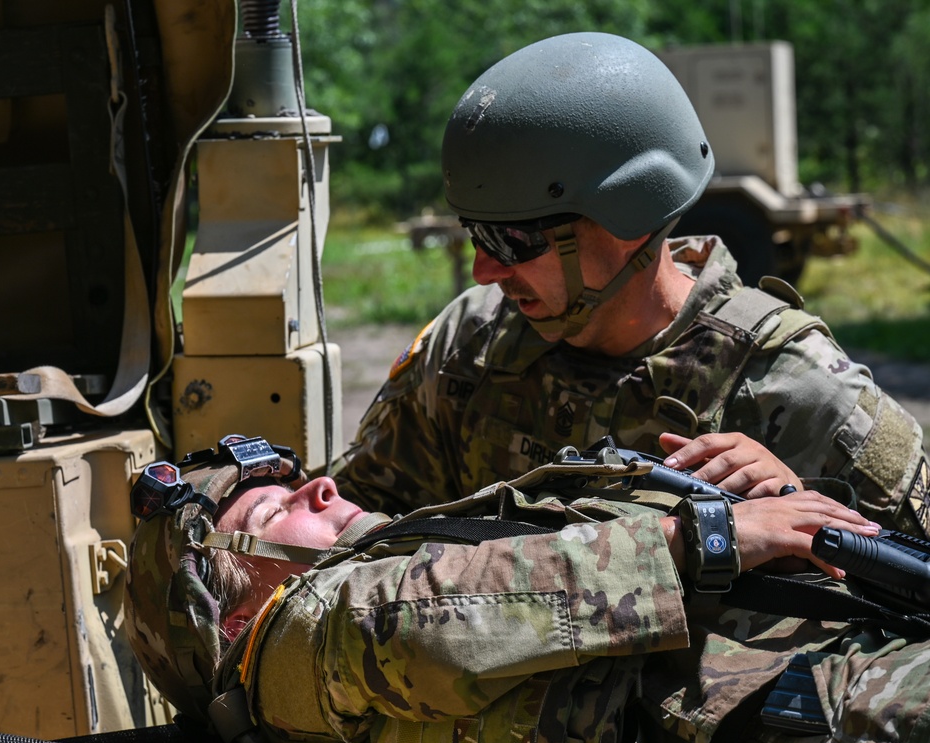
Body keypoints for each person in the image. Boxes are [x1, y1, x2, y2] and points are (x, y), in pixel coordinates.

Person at [331, 31, 930, 541]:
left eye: (513, 242)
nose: (484, 271)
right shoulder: (471, 346)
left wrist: (805, 506)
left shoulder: (800, 392)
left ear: (628, 219)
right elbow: (353, 523)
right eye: (476, 236)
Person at [124, 435, 930, 743]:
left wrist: (774, 504)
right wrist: (704, 536)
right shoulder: (285, 662)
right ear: (232, 614)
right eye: (275, 507)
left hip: (849, 668)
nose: (323, 486)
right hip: (832, 724)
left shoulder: (425, 555)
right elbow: (427, 619)